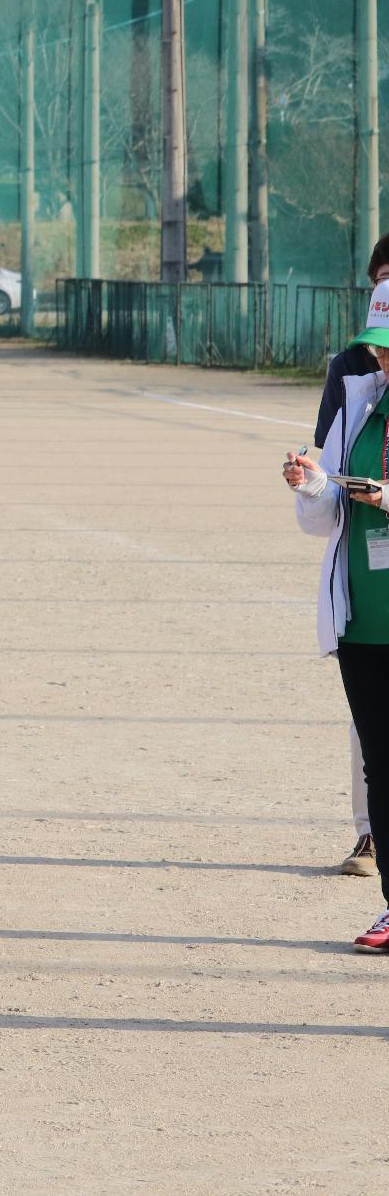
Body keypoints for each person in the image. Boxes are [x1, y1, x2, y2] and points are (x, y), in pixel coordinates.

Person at [288, 280, 389, 956]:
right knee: (381, 767)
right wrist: (314, 487)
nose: (383, 362)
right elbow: (321, 520)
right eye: (379, 349)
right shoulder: (359, 403)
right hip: (362, 621)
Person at [313, 233, 389, 878]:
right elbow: (328, 471)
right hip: (366, 586)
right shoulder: (351, 371)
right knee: (373, 731)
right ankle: (370, 835)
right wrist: (315, 481)